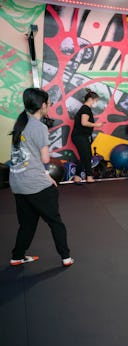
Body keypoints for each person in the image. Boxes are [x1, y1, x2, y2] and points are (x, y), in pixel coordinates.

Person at [8, 88, 74, 268]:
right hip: (34, 184)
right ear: (43, 106)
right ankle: (66, 257)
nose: (50, 106)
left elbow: (24, 157)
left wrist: (45, 175)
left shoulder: (21, 122)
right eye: (49, 103)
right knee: (56, 223)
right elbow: (45, 159)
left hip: (17, 183)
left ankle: (17, 256)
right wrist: (44, 176)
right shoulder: (39, 127)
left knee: (27, 224)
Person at [72, 89, 104, 183]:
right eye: (96, 101)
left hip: (81, 136)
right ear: (91, 99)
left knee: (85, 156)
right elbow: (84, 122)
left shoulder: (86, 109)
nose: (96, 103)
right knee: (86, 156)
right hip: (80, 136)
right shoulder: (85, 109)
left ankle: (78, 177)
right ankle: (89, 176)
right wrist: (96, 125)